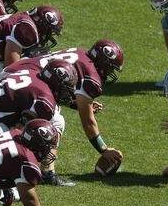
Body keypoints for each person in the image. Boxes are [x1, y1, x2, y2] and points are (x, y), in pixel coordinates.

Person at [0, 58, 78, 189]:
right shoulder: (44, 98)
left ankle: (47, 173)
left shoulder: (33, 73)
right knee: (14, 151)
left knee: (57, 121)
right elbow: (19, 129)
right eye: (64, 89)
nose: (66, 94)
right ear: (55, 84)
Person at [31, 40, 125, 183]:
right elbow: (88, 122)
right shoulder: (92, 77)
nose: (110, 72)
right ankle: (47, 173)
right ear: (103, 63)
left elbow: (58, 87)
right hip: (31, 84)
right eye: (111, 68)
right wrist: (104, 150)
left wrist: (79, 104)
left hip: (23, 73)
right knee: (56, 121)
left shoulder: (80, 52)